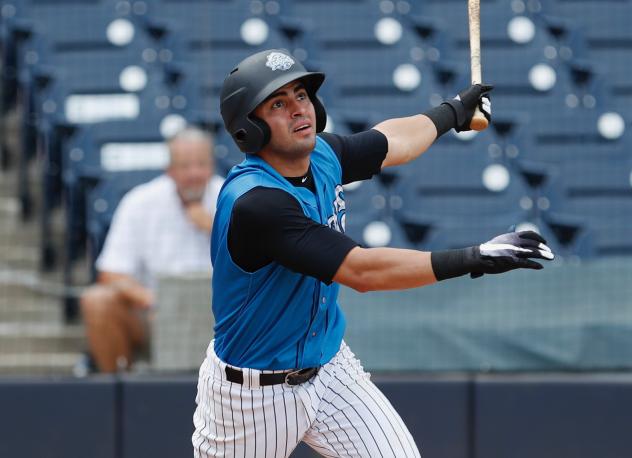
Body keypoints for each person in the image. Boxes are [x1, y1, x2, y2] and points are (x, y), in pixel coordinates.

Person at [192, 50, 554, 457]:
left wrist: (452, 111)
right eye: (278, 103)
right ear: (248, 128)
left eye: (301, 95)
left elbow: (391, 140)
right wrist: (473, 257)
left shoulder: (322, 155)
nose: (298, 110)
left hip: (330, 370)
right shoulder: (257, 202)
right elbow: (362, 272)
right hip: (252, 396)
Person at [80, 127, 224, 373]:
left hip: (223, 319)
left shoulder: (233, 197)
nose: (194, 173)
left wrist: (215, 228)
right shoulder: (140, 202)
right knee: (96, 301)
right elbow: (111, 273)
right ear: (169, 170)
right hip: (155, 313)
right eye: (184, 166)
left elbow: (266, 262)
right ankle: (120, 396)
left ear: (211, 166)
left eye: (201, 164)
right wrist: (157, 302)